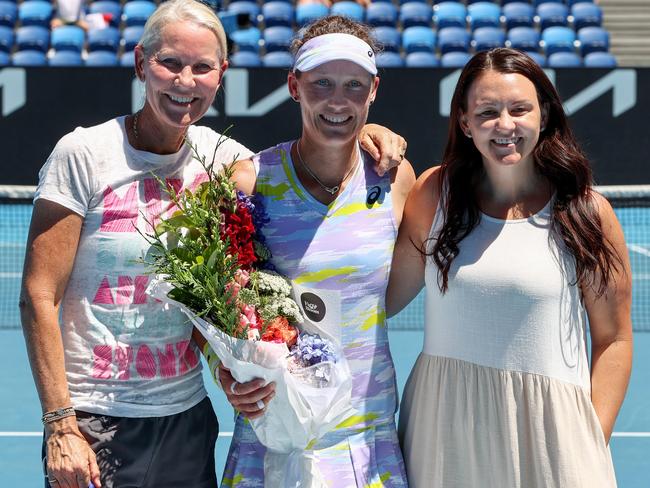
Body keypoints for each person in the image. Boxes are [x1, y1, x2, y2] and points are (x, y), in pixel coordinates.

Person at [19, 1, 406, 487]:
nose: (185, 81)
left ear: (220, 75)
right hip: (96, 419)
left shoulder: (227, 161)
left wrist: (370, 131)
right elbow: (38, 295)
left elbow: (217, 301)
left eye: (202, 67)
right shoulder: (84, 153)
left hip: (187, 416)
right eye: (170, 63)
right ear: (142, 63)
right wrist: (60, 425)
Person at [387, 48, 633, 488]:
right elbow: (382, 300)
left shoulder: (587, 212)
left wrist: (589, 440)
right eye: (487, 112)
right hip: (444, 430)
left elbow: (614, 339)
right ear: (464, 122)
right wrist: (364, 139)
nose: (505, 125)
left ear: (545, 114)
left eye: (520, 109)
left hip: (553, 437)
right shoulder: (433, 193)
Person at [216, 15, 415, 487]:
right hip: (272, 435)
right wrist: (227, 375)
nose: (337, 101)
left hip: (368, 439)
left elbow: (387, 300)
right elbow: (216, 305)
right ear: (294, 85)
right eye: (321, 82)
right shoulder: (249, 181)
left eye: (353, 85)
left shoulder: (395, 179)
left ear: (373, 91)